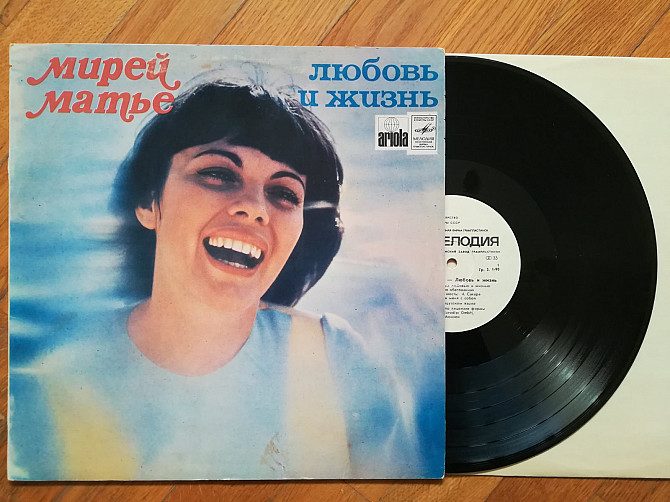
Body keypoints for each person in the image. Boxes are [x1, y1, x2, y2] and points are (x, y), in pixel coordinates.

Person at [8, 81, 436, 480]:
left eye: (284, 193)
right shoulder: (48, 369)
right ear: (149, 203)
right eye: (218, 174)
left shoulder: (337, 357)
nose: (255, 208)